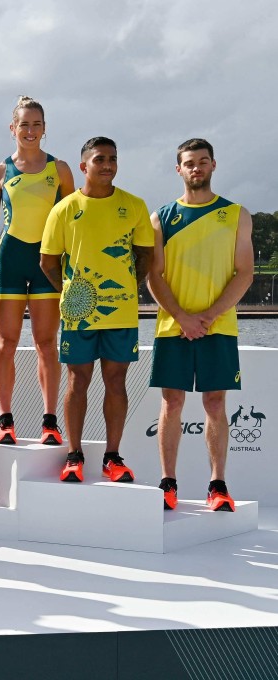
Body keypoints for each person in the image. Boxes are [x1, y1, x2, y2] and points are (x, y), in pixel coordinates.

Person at [146, 139, 253, 512]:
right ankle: (168, 484)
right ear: (179, 169)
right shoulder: (161, 217)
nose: (197, 168)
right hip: (173, 326)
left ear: (213, 165)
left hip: (217, 327)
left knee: (215, 402)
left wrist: (208, 316)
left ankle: (217, 485)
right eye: (189, 163)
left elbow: (244, 273)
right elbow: (154, 276)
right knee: (172, 402)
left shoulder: (236, 214)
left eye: (203, 161)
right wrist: (182, 317)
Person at [40, 137, 154, 484]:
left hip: (121, 312)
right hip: (79, 314)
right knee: (78, 380)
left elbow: (145, 256)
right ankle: (74, 455)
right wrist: (72, 293)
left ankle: (112, 457)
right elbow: (47, 262)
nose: (107, 165)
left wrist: (124, 288)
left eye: (112, 159)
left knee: (116, 381)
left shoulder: (134, 205)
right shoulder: (64, 209)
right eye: (100, 159)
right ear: (83, 166)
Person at [0, 96, 75, 446]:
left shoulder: (60, 170)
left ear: (45, 128)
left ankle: (49, 422)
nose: (30, 130)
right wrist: (1, 258)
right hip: (10, 263)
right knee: (5, 342)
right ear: (13, 128)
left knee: (46, 343)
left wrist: (61, 263)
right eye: (24, 124)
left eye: (37, 124)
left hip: (46, 267)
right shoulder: (0, 172)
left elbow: (72, 220)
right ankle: (5, 421)